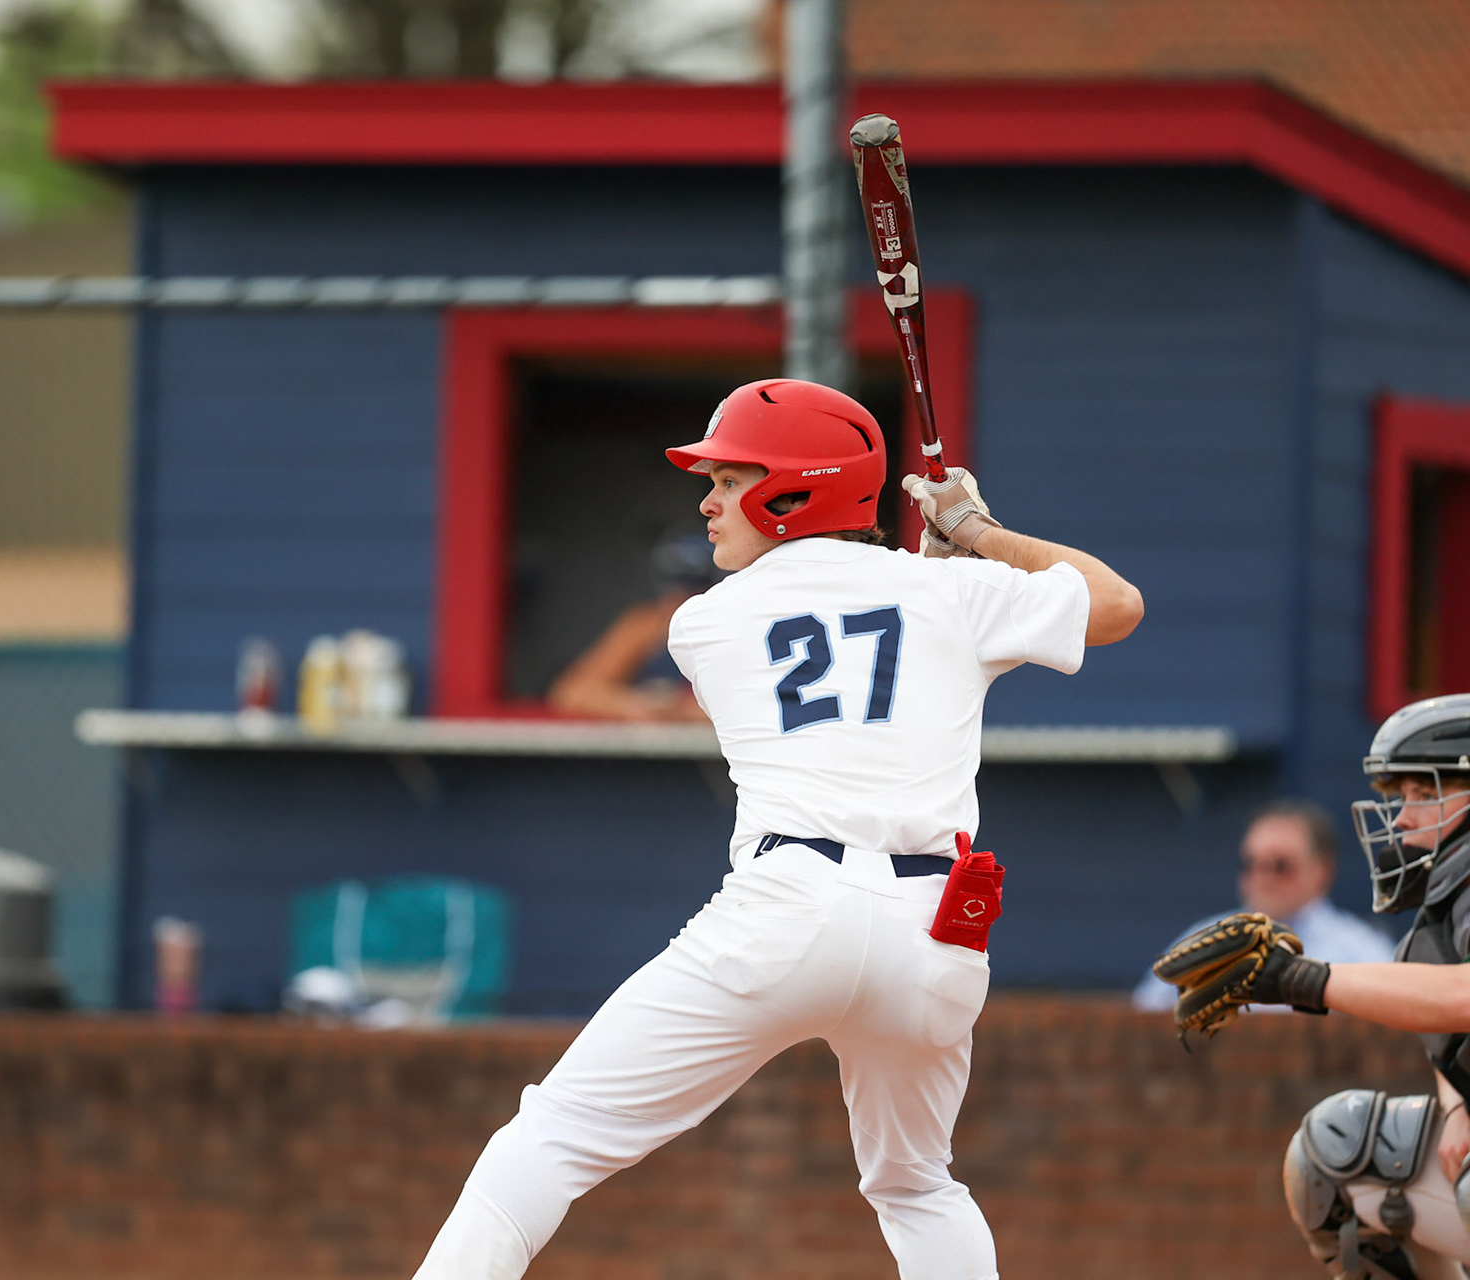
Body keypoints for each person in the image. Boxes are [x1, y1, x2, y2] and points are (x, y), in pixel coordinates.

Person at [411, 378, 1144, 1279]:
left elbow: (845, 619)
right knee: (918, 1185)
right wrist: (976, 539)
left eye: (728, 480)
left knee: (555, 1133)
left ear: (793, 491)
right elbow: (1116, 604)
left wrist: (936, 571)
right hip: (938, 931)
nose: (707, 502)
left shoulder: (707, 622)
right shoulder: (948, 591)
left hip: (790, 908)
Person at [1154, 695, 1470, 1279]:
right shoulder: (1449, 898)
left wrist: (1303, 979)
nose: (1401, 818)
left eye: (1425, 794)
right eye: (1402, 797)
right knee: (1333, 1154)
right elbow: (1453, 1037)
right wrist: (1457, 1107)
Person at [1131, 801, 1393, 1011]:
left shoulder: (1361, 952)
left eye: (1281, 866)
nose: (1262, 877)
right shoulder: (1203, 941)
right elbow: (1143, 1014)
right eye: (1250, 864)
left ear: (1322, 871)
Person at [546, 528, 718, 723]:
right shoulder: (646, 626)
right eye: (674, 588)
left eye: (693, 590)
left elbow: (751, 705)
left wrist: (681, 709)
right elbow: (572, 691)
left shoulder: (732, 627)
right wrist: (636, 703)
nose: (679, 599)